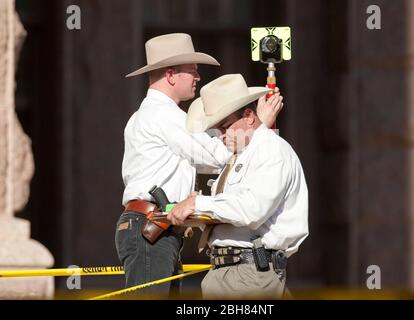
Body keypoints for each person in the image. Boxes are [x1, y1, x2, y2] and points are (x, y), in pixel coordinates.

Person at [115, 34, 282, 298]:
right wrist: (255, 126)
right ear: (171, 75)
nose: (198, 77)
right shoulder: (164, 115)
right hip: (152, 228)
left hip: (154, 226)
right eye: (192, 71)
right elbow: (217, 156)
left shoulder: (147, 115)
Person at [167, 74, 309, 299]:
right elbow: (234, 214)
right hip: (234, 274)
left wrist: (198, 203)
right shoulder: (241, 155)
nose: (220, 136)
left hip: (248, 274)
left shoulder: (270, 149)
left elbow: (251, 209)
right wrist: (196, 212)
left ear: (249, 116)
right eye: (216, 130)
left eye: (224, 127)